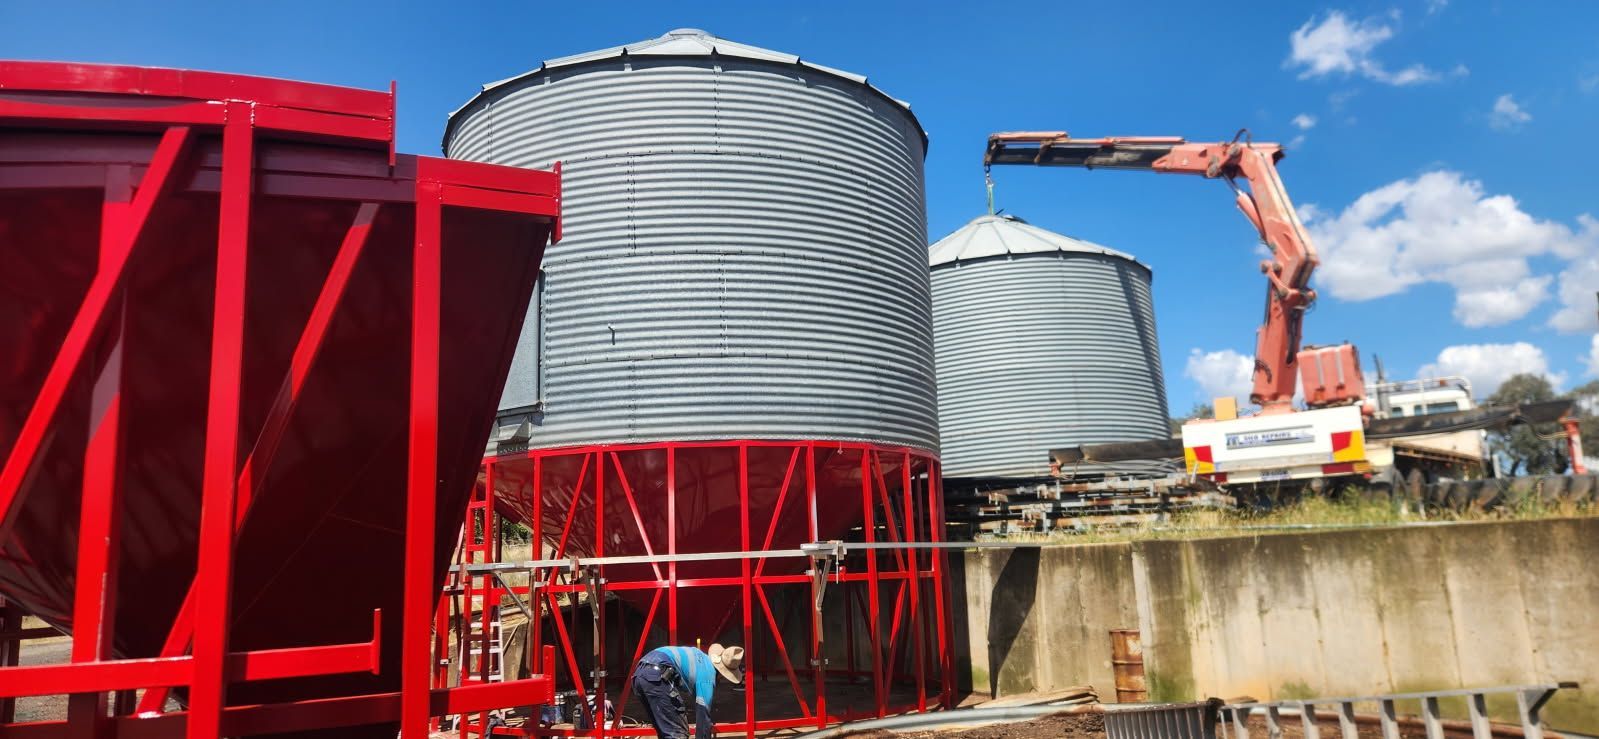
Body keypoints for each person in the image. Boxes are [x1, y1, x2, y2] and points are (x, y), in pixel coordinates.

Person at [631, 643, 744, 739]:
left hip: (639, 674)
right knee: (678, 733)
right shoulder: (708, 677)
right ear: (723, 673)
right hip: (657, 677)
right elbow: (703, 718)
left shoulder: (701, 658)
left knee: (665, 731)